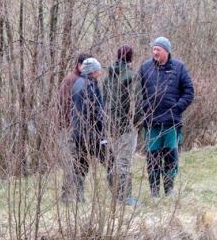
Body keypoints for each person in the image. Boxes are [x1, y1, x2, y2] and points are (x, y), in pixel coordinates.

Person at [137, 36, 195, 196]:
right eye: (154, 49)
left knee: (170, 157)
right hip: (151, 123)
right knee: (152, 158)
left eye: (158, 49)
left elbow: (189, 92)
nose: (155, 52)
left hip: (171, 123)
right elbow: (137, 93)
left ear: (166, 51)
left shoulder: (179, 67)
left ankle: (169, 190)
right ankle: (154, 192)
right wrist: (143, 109)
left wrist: (177, 108)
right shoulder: (145, 68)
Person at [63, 57, 108, 202]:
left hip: (78, 132)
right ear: (92, 71)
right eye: (98, 69)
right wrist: (102, 135)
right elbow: (95, 111)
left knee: (80, 164)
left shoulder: (78, 83)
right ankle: (120, 196)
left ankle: (78, 196)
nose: (100, 72)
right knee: (110, 161)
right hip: (90, 132)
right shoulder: (89, 86)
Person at [104, 45, 138, 205]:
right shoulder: (132, 76)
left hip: (110, 126)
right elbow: (137, 102)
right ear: (131, 58)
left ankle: (116, 193)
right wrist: (137, 123)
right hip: (126, 126)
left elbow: (102, 102)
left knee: (114, 160)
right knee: (124, 161)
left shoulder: (107, 78)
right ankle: (125, 196)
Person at [58, 52, 92, 129]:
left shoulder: (85, 79)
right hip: (71, 127)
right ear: (79, 65)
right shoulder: (71, 80)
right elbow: (65, 105)